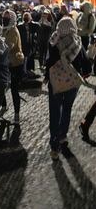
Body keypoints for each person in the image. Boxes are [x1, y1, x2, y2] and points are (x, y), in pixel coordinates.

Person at [45, 17, 91, 160]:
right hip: (72, 84)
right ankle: (62, 137)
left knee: (54, 112)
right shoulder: (77, 42)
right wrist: (84, 75)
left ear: (59, 27)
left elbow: (48, 61)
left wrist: (47, 76)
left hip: (55, 83)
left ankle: (54, 147)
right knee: (67, 109)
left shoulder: (53, 40)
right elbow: (86, 64)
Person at [3, 10, 25, 124]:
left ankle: (16, 114)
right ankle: (3, 106)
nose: (4, 19)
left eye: (7, 17)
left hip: (15, 63)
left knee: (14, 90)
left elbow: (9, 46)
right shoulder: (5, 29)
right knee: (2, 86)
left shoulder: (12, 30)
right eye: (4, 17)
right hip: (6, 63)